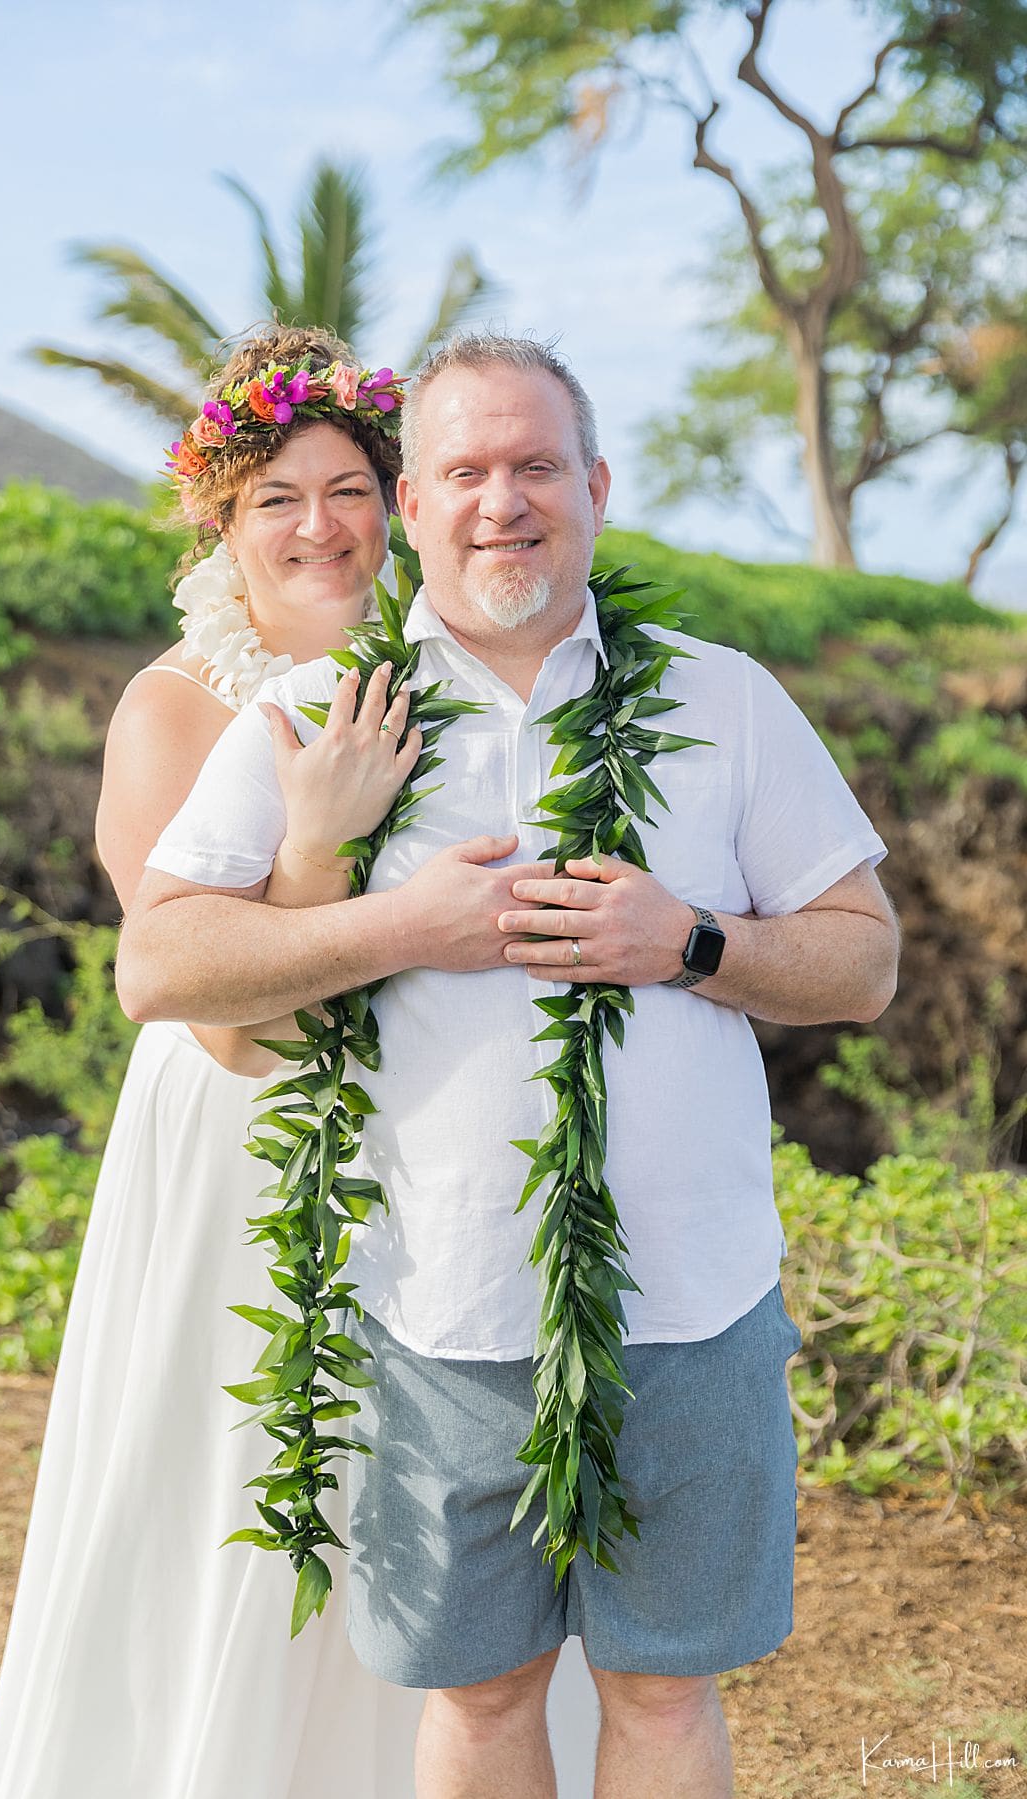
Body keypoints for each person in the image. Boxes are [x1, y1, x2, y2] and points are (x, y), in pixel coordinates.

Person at [120, 332, 901, 1799]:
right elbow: (159, 965)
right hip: (439, 1308)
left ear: (596, 484)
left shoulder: (724, 697)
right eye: (464, 471)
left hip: (694, 1295)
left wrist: (691, 941)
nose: (503, 502)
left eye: (536, 464)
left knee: (665, 1697)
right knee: (479, 1706)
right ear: (411, 507)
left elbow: (862, 958)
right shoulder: (319, 714)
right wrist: (396, 920)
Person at [0, 323, 430, 1799]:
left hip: (414, 1125)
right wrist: (329, 837)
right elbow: (218, 1009)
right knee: (243, 1476)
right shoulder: (176, 708)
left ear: (395, 498)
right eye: (275, 499)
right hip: (246, 1135)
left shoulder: (446, 674)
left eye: (348, 486)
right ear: (221, 523)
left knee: (406, 1483)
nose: (318, 527)